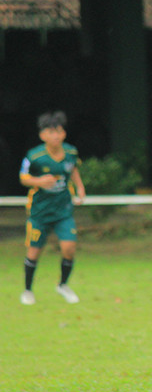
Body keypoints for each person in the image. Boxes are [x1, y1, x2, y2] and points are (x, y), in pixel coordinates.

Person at [19, 111, 86, 305]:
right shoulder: (35, 156)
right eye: (51, 132)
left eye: (59, 131)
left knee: (69, 248)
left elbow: (73, 170)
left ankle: (63, 285)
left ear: (64, 133)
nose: (56, 135)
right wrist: (39, 181)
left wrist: (80, 188)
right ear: (43, 135)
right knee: (33, 252)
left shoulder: (71, 152)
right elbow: (23, 178)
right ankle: (28, 290)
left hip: (63, 210)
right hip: (39, 212)